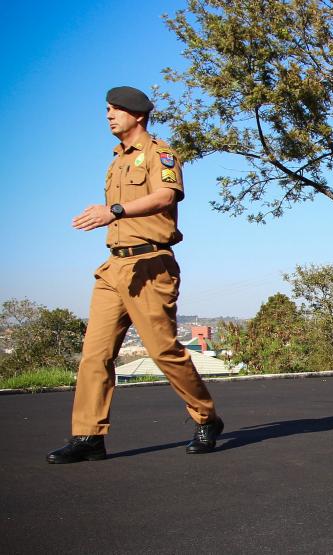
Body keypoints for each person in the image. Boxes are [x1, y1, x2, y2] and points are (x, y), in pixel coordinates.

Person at [47, 86, 223, 464]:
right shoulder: (115, 161)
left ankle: (206, 418)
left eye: (115, 110)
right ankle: (88, 436)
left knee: (164, 350)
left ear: (137, 115)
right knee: (94, 354)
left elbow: (165, 197)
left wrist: (114, 210)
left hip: (150, 264)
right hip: (113, 268)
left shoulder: (160, 153)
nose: (108, 116)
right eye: (106, 110)